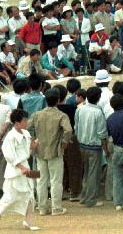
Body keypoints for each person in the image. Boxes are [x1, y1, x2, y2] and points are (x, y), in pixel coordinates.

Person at [0, 108, 40, 230]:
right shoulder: (10, 136)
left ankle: (28, 222)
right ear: (17, 123)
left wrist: (33, 146)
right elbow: (9, 155)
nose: (26, 122)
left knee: (30, 194)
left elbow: (28, 149)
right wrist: (21, 167)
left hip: (25, 167)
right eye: (24, 120)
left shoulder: (26, 133)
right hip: (15, 169)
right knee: (10, 196)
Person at [30, 88, 72, 217]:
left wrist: (33, 141)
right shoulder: (61, 115)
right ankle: (56, 208)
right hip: (56, 150)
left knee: (41, 180)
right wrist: (64, 142)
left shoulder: (37, 114)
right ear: (58, 100)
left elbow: (27, 127)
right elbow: (68, 130)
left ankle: (42, 207)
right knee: (55, 180)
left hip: (40, 151)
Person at [75, 86, 110, 208]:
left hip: (82, 145)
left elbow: (76, 127)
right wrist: (106, 150)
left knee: (86, 172)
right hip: (94, 147)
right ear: (98, 98)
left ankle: (84, 197)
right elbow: (102, 134)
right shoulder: (98, 112)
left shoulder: (80, 109)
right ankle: (90, 199)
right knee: (93, 174)